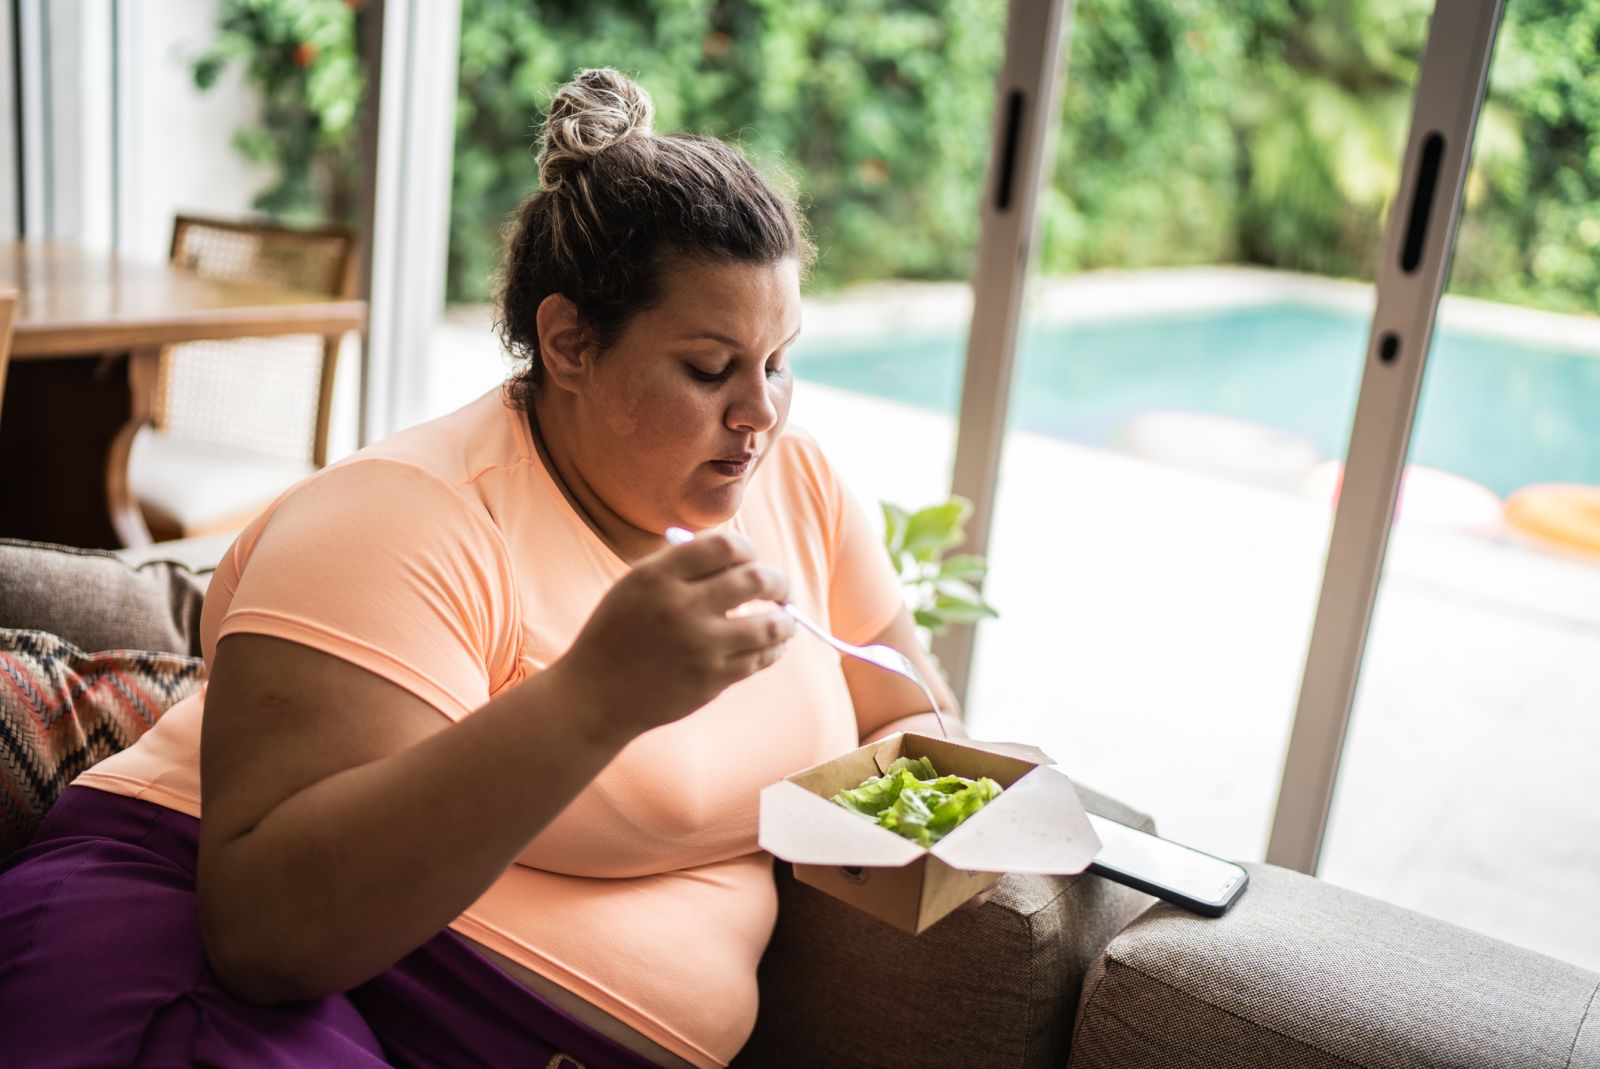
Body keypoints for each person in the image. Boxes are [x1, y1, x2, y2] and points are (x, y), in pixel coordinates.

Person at [0, 68, 963, 1069]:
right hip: (204, 968)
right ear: (569, 342)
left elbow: (906, 716)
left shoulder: (797, 487)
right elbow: (267, 933)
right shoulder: (407, 516)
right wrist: (597, 696)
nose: (760, 412)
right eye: (710, 368)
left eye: (779, 360)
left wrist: (950, 805)